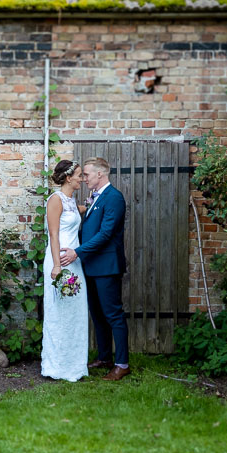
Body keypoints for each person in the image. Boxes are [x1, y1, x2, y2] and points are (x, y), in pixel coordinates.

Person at [60, 157, 130, 381]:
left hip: (107, 266)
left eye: (87, 174)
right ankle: (104, 357)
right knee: (98, 315)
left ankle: (122, 364)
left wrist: (77, 252)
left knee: (113, 315)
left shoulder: (114, 198)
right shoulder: (95, 198)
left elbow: (106, 234)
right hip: (91, 266)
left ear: (100, 174)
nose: (84, 178)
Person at [41, 160, 89, 382]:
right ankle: (56, 366)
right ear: (69, 178)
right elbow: (53, 234)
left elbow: (76, 213)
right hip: (58, 261)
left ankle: (75, 365)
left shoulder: (71, 201)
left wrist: (91, 205)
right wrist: (57, 266)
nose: (82, 178)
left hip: (74, 261)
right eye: (79, 175)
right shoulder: (55, 200)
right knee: (58, 314)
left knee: (75, 313)